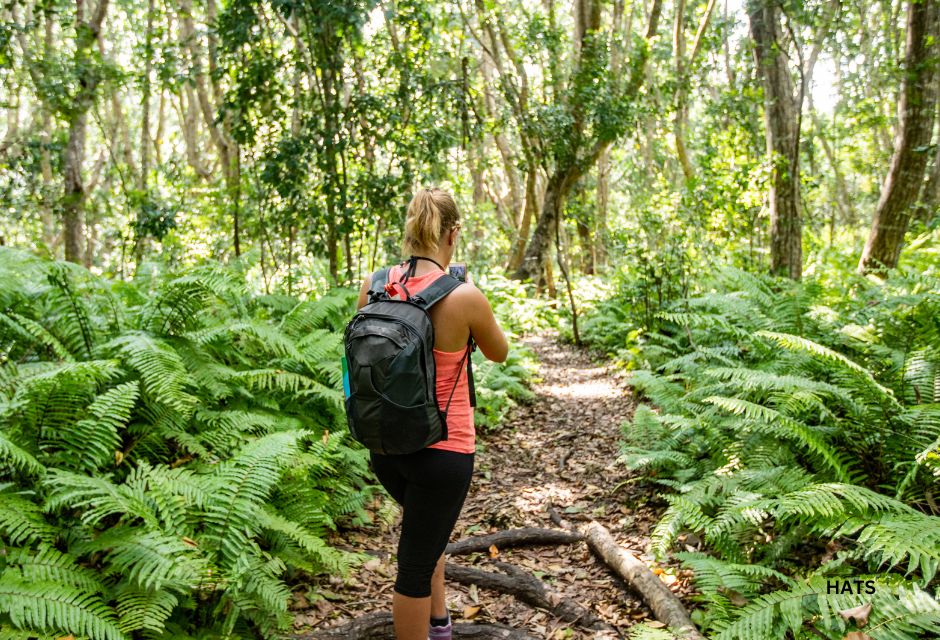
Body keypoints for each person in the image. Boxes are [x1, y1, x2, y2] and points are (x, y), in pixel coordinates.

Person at [356, 187, 509, 640]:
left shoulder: (375, 283)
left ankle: (439, 624)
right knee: (415, 566)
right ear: (453, 233)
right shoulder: (464, 296)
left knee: (426, 532)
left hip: (385, 445)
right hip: (444, 451)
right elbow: (498, 352)